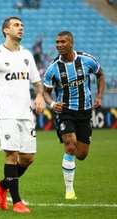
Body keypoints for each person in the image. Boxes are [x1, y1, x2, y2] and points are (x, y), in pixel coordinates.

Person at [0, 17, 44, 213]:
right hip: (5, 114)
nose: (20, 28)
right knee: (11, 154)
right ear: (5, 30)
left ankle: (2, 186)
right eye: (16, 25)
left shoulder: (27, 55)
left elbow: (37, 82)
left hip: (26, 114)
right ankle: (18, 202)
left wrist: (39, 95)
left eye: (22, 25)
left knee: (28, 158)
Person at [43, 31, 105, 200]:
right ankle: (69, 190)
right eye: (57, 42)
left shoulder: (87, 60)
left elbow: (100, 75)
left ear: (71, 43)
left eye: (63, 41)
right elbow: (46, 92)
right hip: (65, 111)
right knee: (70, 146)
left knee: (82, 154)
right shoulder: (53, 68)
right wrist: (52, 104)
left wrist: (99, 96)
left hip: (84, 112)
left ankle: (70, 162)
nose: (59, 45)